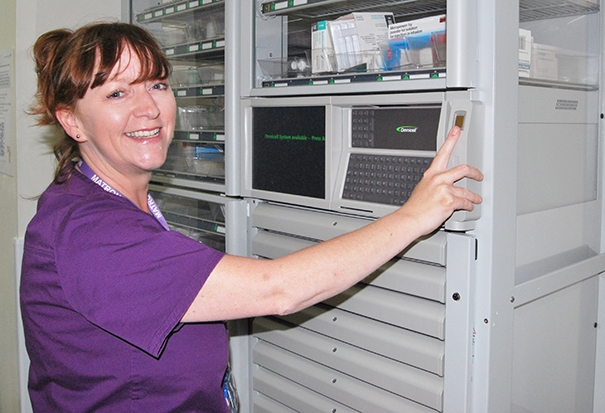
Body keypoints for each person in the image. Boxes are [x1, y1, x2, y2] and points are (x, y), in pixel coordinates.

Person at [20, 21, 483, 413]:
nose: (149, 108)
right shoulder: (90, 233)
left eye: (157, 84)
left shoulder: (104, 199)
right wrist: (413, 216)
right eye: (117, 92)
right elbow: (278, 290)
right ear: (72, 122)